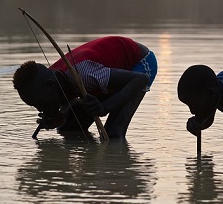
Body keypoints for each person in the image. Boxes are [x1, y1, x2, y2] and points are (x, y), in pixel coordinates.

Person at [13, 36, 157, 138]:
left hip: (139, 65)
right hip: (104, 73)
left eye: (40, 104)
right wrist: (61, 115)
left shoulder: (83, 74)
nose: (40, 110)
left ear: (50, 86)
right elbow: (69, 97)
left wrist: (105, 107)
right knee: (68, 129)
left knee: (112, 134)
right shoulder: (52, 78)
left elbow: (140, 80)